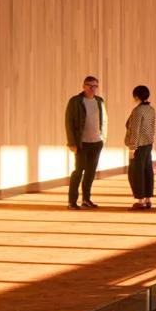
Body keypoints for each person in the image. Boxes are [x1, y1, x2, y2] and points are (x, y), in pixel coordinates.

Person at [64, 75, 107, 210]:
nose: (92, 88)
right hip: (81, 143)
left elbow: (104, 120)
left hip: (96, 142)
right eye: (90, 85)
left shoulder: (100, 101)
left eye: (95, 86)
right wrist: (71, 142)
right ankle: (72, 202)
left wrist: (103, 139)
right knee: (78, 171)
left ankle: (86, 199)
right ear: (83, 86)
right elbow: (68, 122)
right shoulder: (75, 101)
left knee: (90, 172)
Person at [124, 85, 156, 210]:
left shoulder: (137, 111)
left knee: (135, 173)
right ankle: (148, 199)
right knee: (147, 171)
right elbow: (153, 127)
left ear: (136, 96)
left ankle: (140, 200)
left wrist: (132, 148)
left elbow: (135, 131)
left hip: (138, 145)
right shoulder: (151, 109)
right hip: (148, 144)